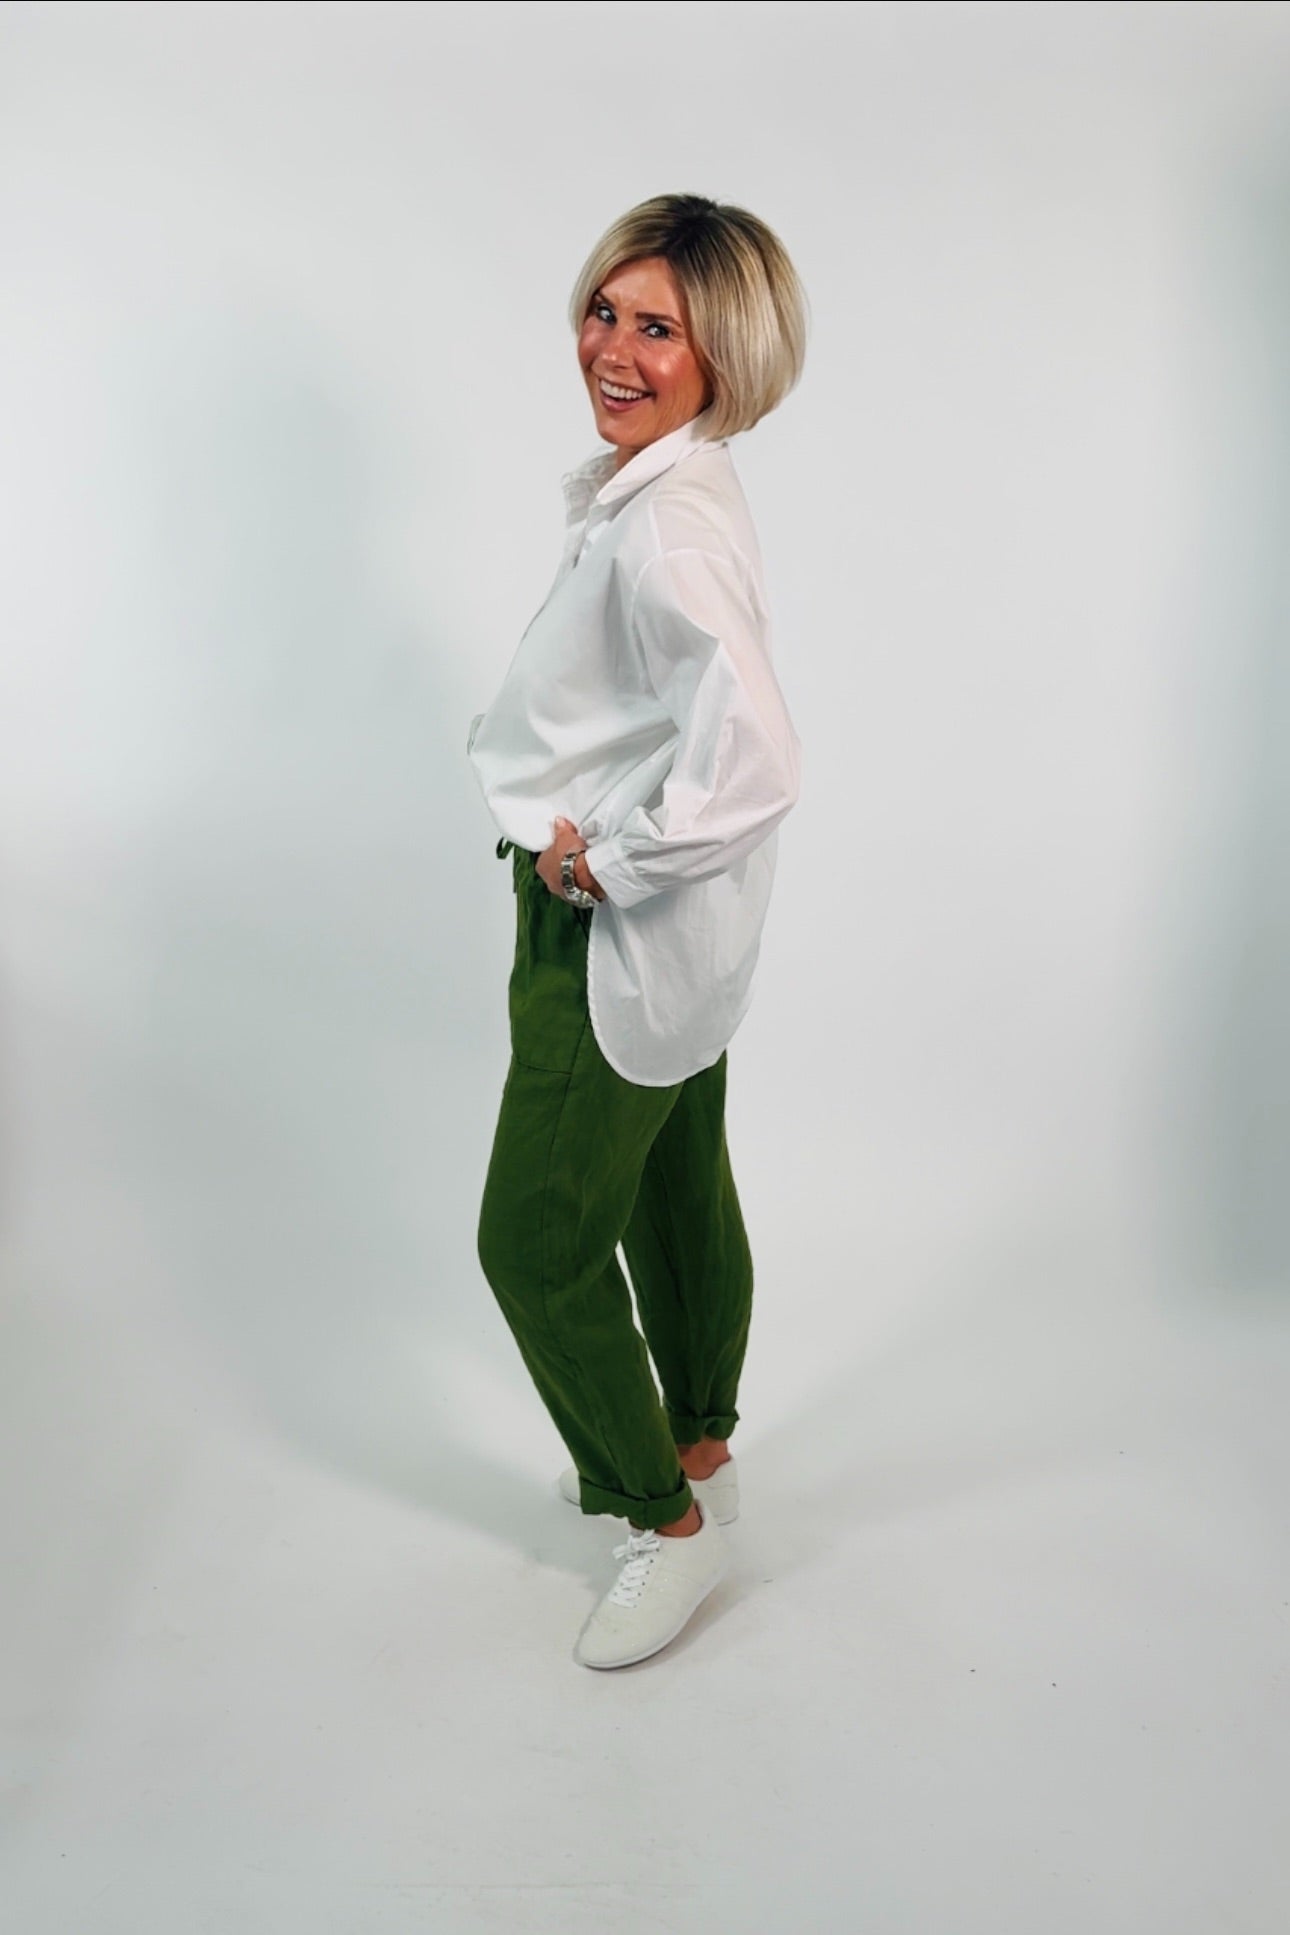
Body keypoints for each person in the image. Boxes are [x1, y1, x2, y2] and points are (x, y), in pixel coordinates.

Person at [466, 192, 807, 1669]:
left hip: (607, 928)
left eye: (656, 327)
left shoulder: (663, 530)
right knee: (673, 1187)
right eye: (605, 310)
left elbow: (758, 760)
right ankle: (698, 1452)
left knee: (536, 1242)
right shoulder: (678, 484)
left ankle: (660, 1524)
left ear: (723, 353)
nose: (611, 347)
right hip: (691, 937)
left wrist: (603, 865)